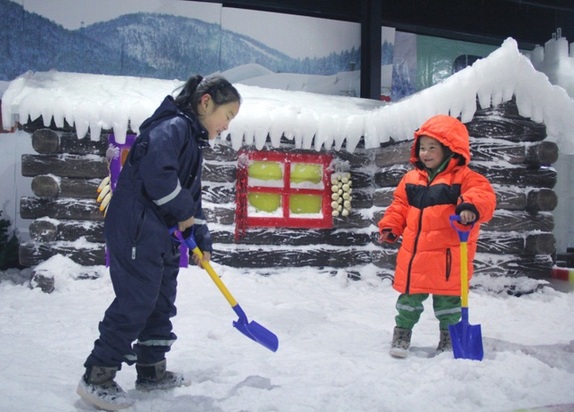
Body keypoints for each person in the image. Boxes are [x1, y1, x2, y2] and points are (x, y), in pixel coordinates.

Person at [77, 74, 241, 410]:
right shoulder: (171, 128)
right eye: (227, 116)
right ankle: (97, 375)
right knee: (137, 300)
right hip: (138, 229)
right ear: (205, 102)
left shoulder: (192, 141)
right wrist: (182, 215)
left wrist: (201, 237)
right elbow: (158, 175)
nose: (227, 125)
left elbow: (190, 199)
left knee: (161, 300)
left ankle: (151, 370)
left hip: (160, 234)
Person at [377, 114, 496, 359]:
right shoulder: (411, 179)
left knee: (449, 304)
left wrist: (469, 207)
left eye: (433, 147)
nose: (426, 153)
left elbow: (482, 195)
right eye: (422, 147)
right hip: (415, 255)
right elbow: (399, 205)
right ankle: (402, 334)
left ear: (451, 150)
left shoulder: (464, 178)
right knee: (408, 301)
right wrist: (391, 226)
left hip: (449, 256)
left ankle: (450, 339)